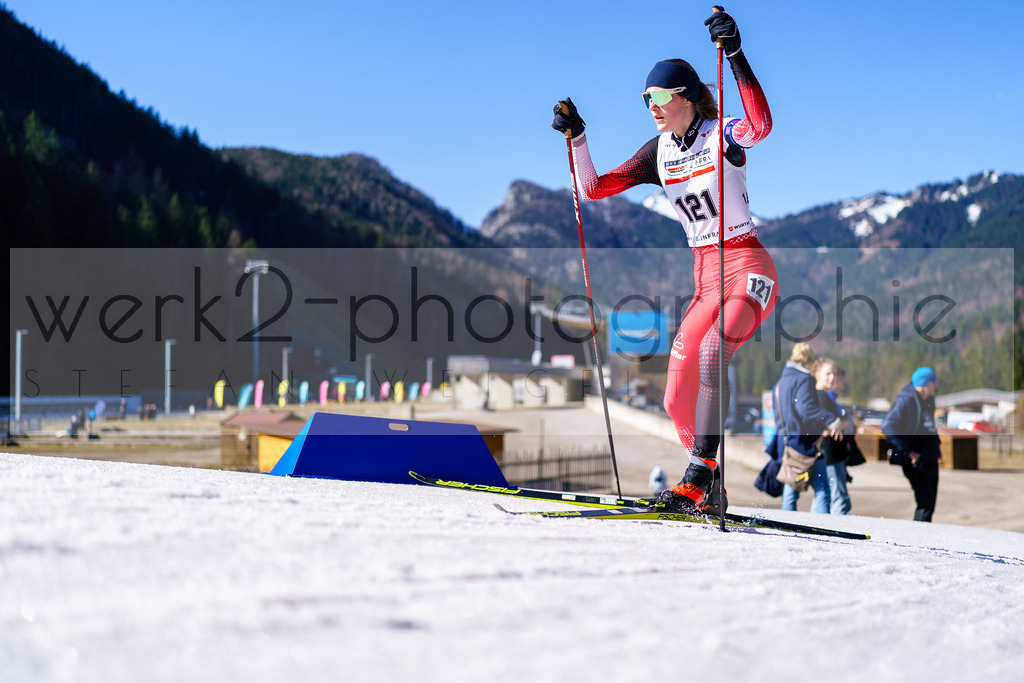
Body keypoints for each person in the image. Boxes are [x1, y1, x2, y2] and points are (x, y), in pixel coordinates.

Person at [551, 7, 777, 513]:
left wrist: (736, 54)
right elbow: (592, 188)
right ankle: (711, 485)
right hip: (705, 281)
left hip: (748, 268)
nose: (649, 105)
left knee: (713, 353)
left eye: (656, 97)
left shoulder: (722, 135)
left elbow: (762, 124)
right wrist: (578, 136)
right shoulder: (659, 153)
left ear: (685, 97)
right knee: (676, 398)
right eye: (644, 98)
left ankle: (698, 475)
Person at [774, 344, 845, 513]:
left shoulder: (781, 381)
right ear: (810, 361)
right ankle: (820, 526)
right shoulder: (804, 379)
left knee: (791, 486)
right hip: (805, 441)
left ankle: (787, 522)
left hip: (786, 439)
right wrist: (831, 420)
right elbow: (806, 409)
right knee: (822, 490)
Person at [881, 367, 941, 522]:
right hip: (916, 460)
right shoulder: (907, 399)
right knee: (925, 502)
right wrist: (907, 451)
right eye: (934, 381)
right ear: (924, 383)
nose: (937, 385)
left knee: (929, 502)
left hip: (929, 457)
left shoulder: (928, 399)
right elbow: (888, 425)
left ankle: (923, 538)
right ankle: (920, 541)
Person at [813, 358, 852, 515]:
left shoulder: (824, 397)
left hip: (831, 454)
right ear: (817, 374)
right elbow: (828, 427)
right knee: (836, 498)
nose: (832, 378)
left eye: (834, 374)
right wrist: (846, 421)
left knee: (824, 496)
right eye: (828, 374)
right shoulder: (820, 397)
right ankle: (835, 532)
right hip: (829, 454)